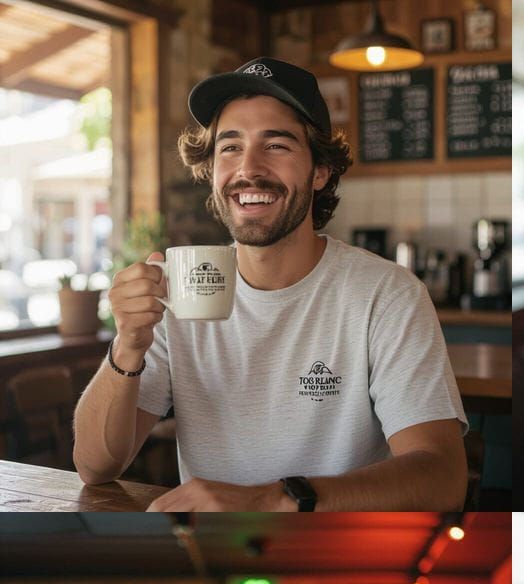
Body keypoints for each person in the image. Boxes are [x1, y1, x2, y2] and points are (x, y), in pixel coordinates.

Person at [73, 57, 467, 512]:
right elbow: (95, 467)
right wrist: (127, 346)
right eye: (230, 147)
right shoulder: (180, 291)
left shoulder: (387, 294)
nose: (249, 168)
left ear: (320, 171)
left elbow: (442, 476)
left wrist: (275, 500)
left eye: (276, 145)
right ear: (210, 169)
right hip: (212, 557)